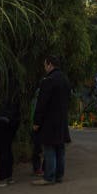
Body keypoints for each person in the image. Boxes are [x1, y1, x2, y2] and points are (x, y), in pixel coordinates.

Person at [32, 55, 71, 185]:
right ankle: (59, 176)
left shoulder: (48, 80)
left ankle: (49, 177)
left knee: (49, 148)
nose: (44, 67)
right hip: (62, 120)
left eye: (45, 65)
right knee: (60, 148)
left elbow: (41, 103)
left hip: (49, 121)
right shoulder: (65, 79)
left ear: (49, 64)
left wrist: (37, 121)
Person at [0, 78, 22, 188]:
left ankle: (2, 178)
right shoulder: (14, 84)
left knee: (3, 149)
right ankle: (8, 177)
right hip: (13, 120)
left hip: (2, 119)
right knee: (7, 148)